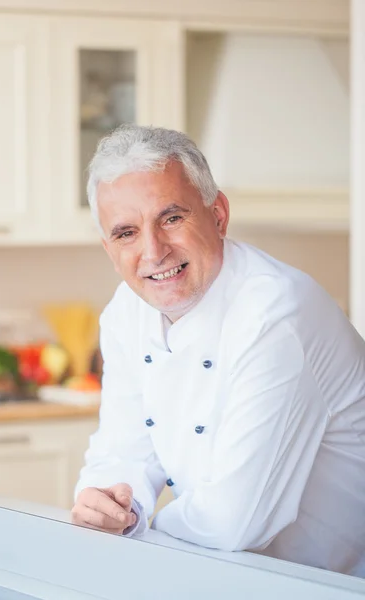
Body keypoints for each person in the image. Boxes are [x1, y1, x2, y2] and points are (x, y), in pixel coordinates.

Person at [71, 125, 365, 576]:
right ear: (109, 248)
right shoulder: (125, 312)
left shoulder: (274, 314)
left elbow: (233, 523)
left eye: (171, 218)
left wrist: (140, 525)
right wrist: (109, 502)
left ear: (219, 214)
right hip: (238, 575)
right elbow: (124, 452)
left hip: (333, 581)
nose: (154, 251)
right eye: (126, 232)